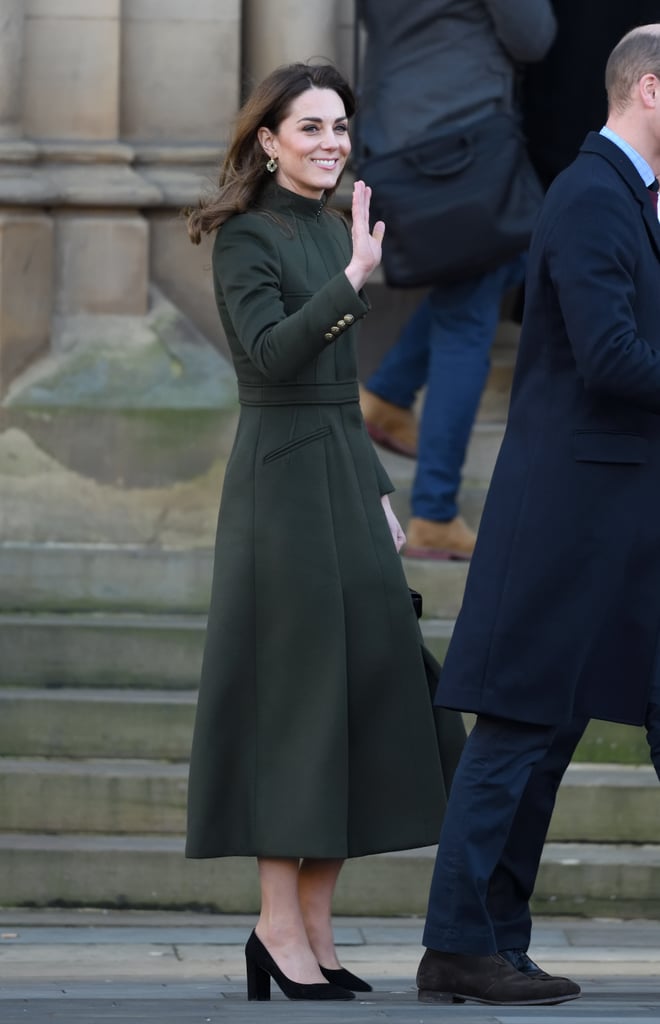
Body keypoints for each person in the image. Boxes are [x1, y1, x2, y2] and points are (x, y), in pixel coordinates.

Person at [183, 61, 465, 1003]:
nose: (330, 142)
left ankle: (312, 930)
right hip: (280, 487)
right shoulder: (245, 236)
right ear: (267, 140)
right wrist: (351, 278)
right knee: (295, 706)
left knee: (361, 694)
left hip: (342, 476)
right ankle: (276, 925)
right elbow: (269, 356)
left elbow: (341, 392)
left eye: (340, 126)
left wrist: (379, 491)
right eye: (309, 127)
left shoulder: (330, 223)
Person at [416, 24, 660, 1005]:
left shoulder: (622, 198)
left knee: (541, 737)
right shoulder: (593, 194)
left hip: (613, 519)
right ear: (651, 90)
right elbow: (610, 359)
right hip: (567, 517)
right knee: (520, 729)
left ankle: (488, 941)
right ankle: (460, 945)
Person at [356, 0, 556, 560]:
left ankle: (389, 394)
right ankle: (434, 515)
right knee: (467, 319)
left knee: (499, 269)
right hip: (464, 140)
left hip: (395, 133)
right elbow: (533, 36)